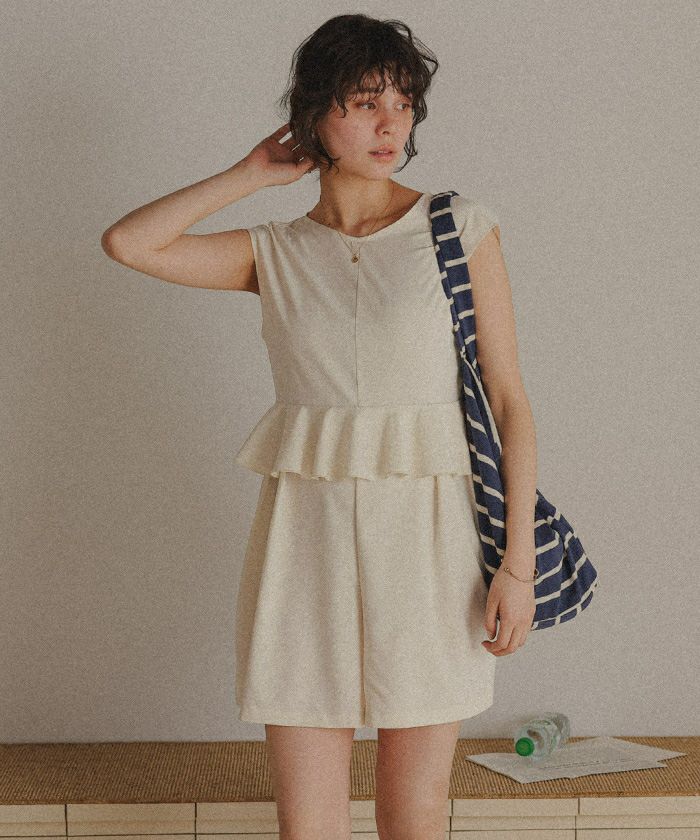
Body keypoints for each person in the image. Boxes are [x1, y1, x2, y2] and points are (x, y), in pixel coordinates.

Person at [101, 13, 538, 840]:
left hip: (431, 544)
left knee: (414, 816)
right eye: (365, 102)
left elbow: (510, 401)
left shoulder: (458, 229)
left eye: (402, 104)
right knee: (308, 825)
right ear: (314, 113)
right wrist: (247, 174)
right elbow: (129, 243)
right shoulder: (275, 251)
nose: (389, 125)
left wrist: (517, 566)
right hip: (305, 545)